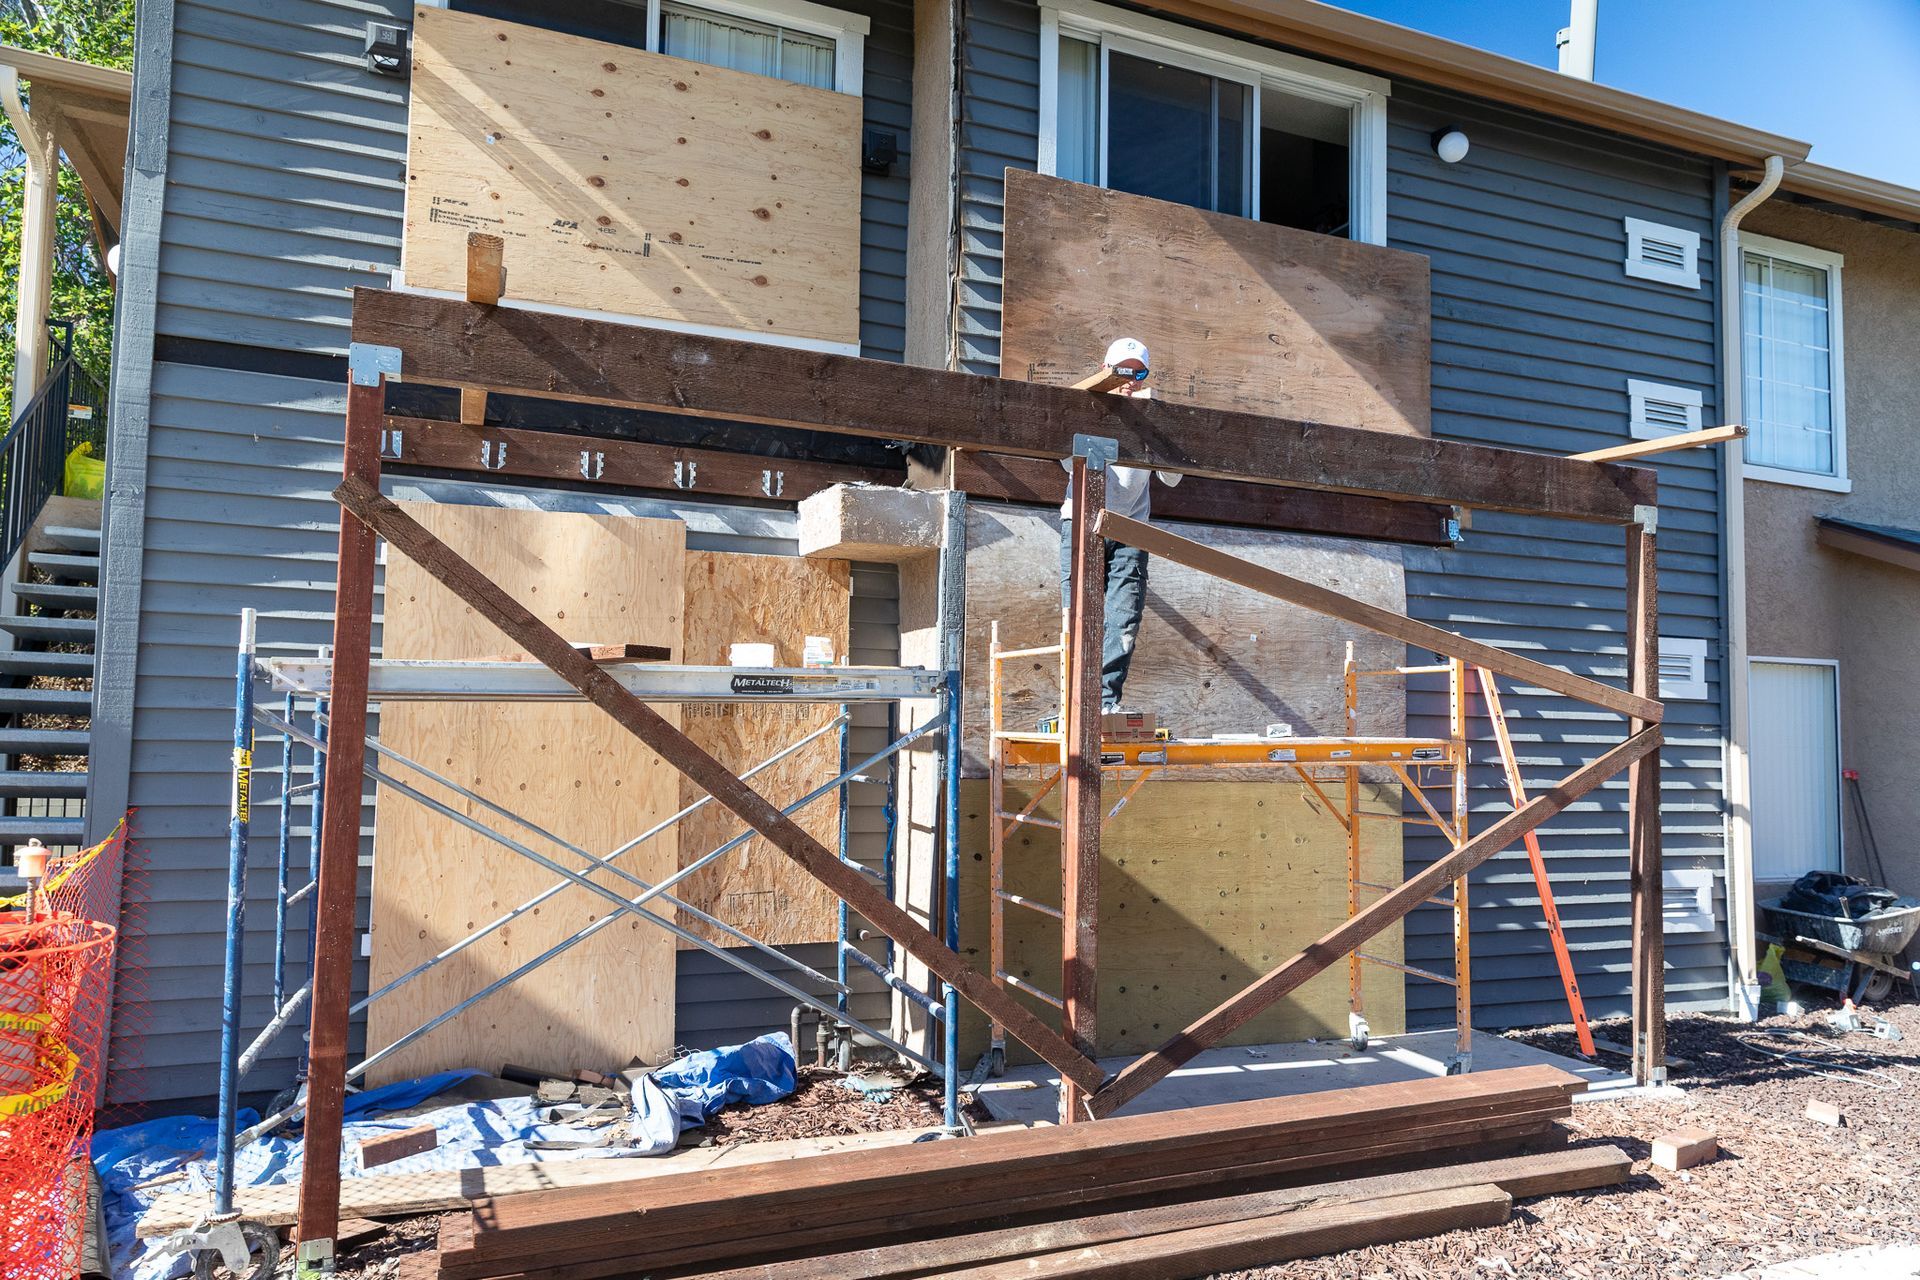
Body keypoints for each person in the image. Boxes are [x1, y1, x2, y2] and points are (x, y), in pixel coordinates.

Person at [1058, 339, 1182, 713]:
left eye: (1138, 373)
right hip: (1081, 521)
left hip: (1131, 530)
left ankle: (1104, 703)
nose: (1130, 380)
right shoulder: (1086, 408)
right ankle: (1074, 704)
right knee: (1078, 614)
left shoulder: (1151, 418)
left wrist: (1154, 429)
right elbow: (1065, 460)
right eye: (1122, 371)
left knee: (1124, 618)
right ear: (1105, 370)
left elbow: (1173, 478)